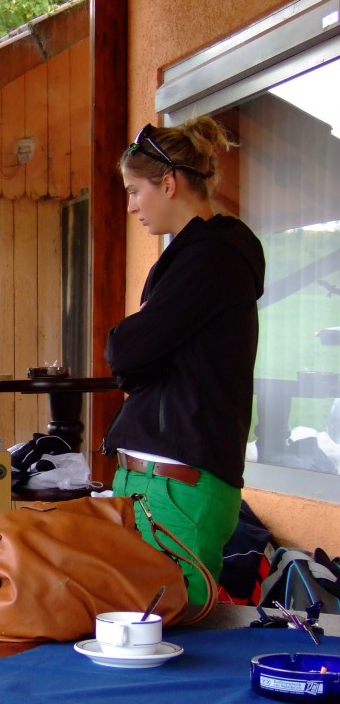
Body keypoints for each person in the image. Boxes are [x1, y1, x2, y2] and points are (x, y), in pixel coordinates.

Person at [103, 117, 265, 605]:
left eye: (135, 191)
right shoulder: (187, 259)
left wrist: (138, 348)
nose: (131, 206)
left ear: (169, 184)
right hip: (155, 483)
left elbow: (126, 350)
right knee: (133, 639)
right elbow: (137, 357)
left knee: (173, 644)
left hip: (178, 489)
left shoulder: (215, 256)